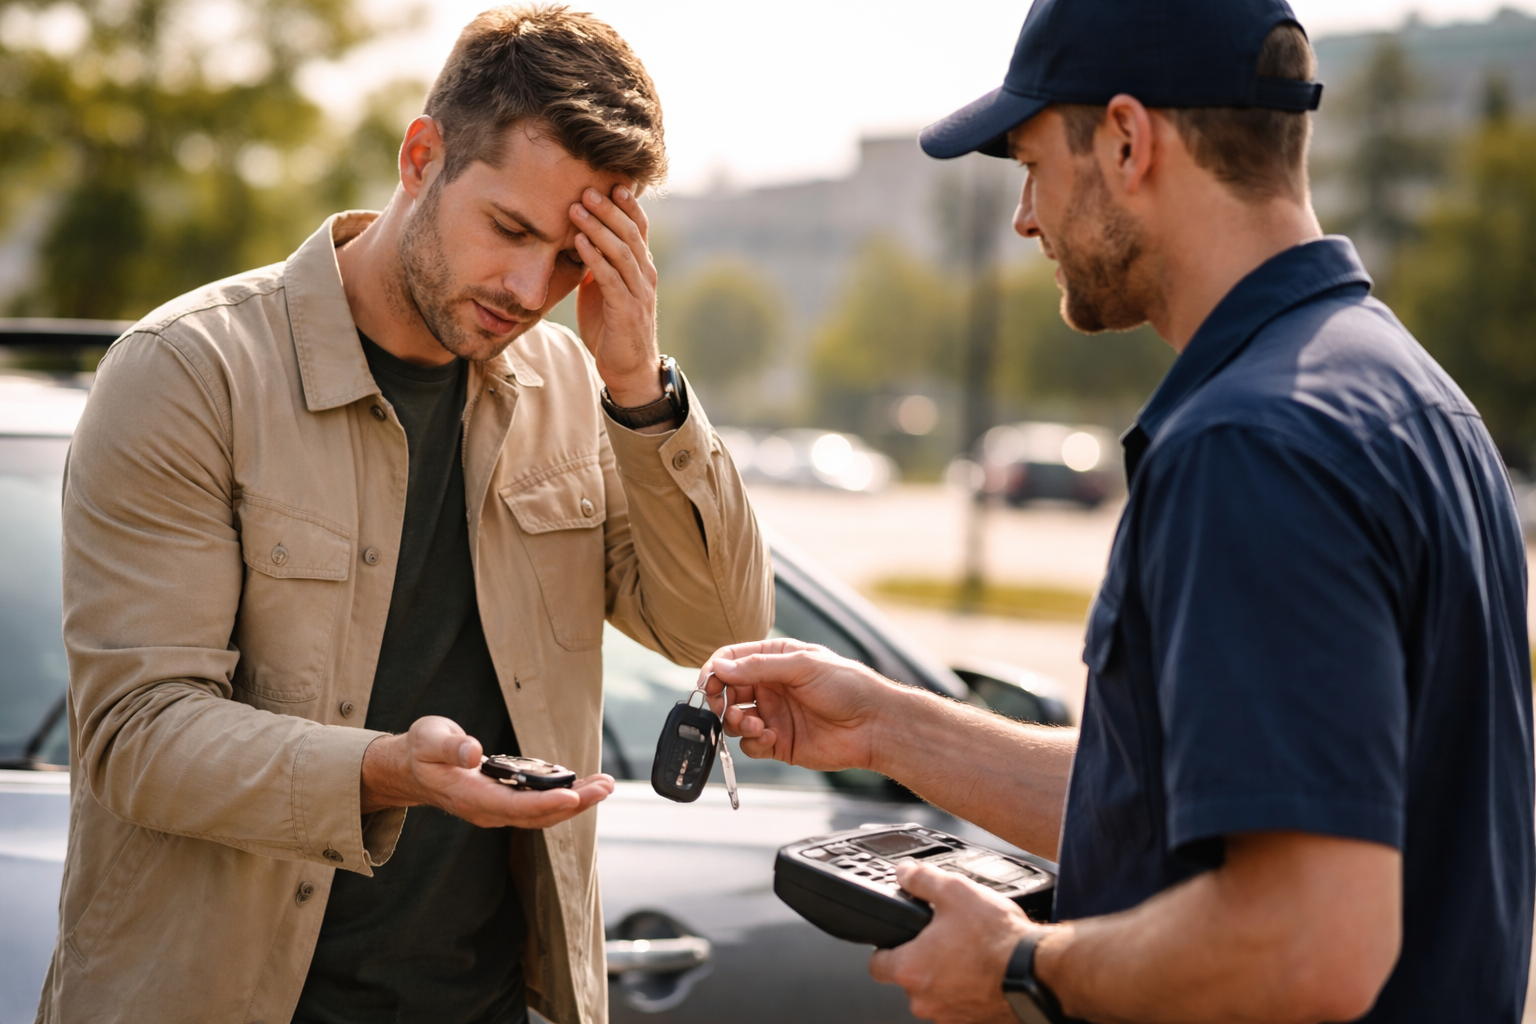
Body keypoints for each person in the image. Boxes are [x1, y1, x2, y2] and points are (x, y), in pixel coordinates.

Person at [702, 0, 1533, 1021]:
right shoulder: (1411, 396)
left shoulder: (1252, 445)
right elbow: (1179, 811)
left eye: (1032, 163)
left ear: (1130, 140)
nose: (1024, 216)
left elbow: (1312, 941)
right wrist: (885, 724)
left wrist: (1020, 965)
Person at [44, 7, 772, 1024]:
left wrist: (637, 384)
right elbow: (137, 736)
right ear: (421, 155)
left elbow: (717, 631)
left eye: (573, 258)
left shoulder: (578, 386)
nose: (530, 288)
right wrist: (387, 772)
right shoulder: (189, 374)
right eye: (511, 228)